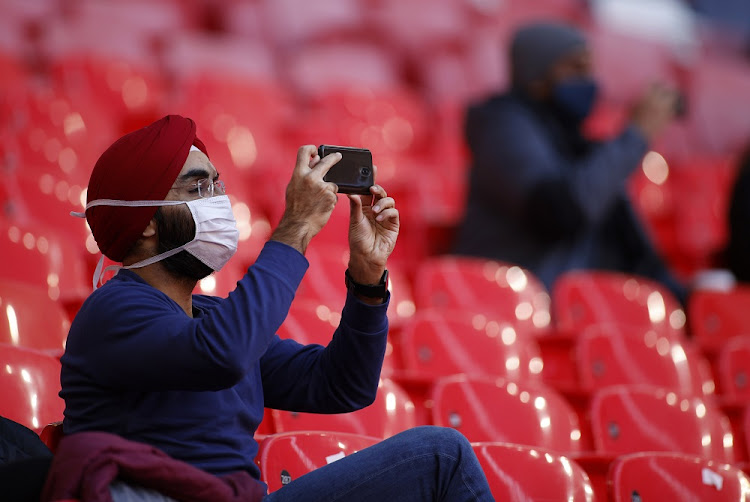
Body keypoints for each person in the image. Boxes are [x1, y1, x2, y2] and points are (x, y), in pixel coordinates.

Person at [48, 115, 492, 501]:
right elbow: (221, 354)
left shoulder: (209, 317)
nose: (219, 200)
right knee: (441, 457)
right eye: (199, 187)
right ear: (145, 221)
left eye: (218, 185)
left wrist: (368, 280)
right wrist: (296, 227)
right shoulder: (112, 311)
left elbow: (343, 386)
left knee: (440, 458)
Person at [453, 21, 687, 304]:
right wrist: (635, 136)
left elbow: (628, 246)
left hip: (571, 303)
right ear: (536, 76)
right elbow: (559, 212)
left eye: (589, 69)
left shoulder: (570, 139)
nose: (589, 81)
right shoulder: (502, 127)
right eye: (575, 69)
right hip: (507, 302)